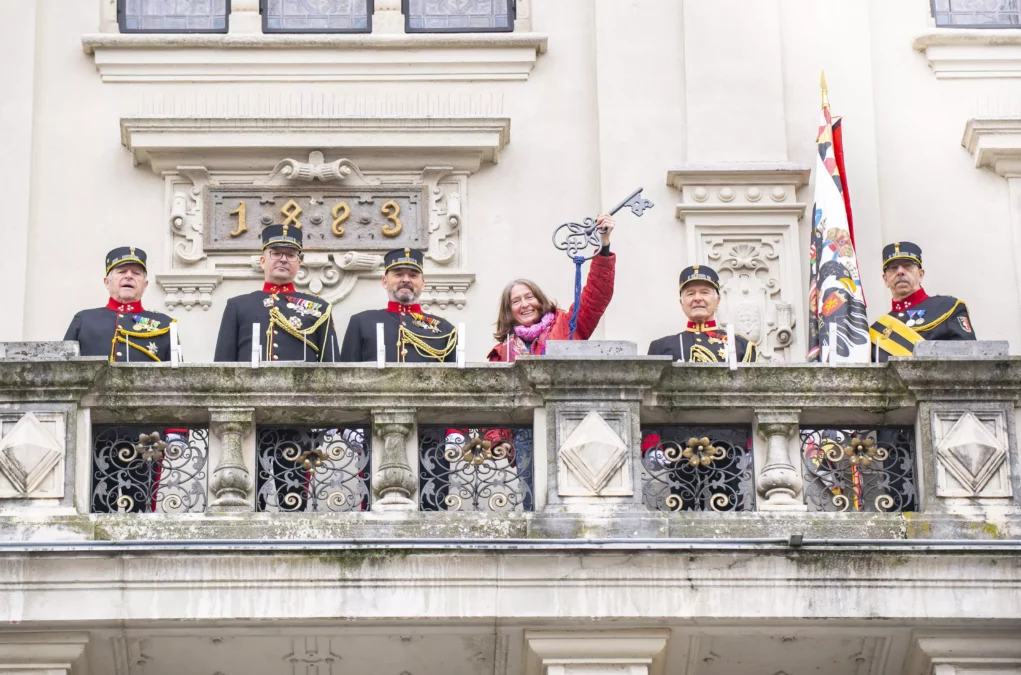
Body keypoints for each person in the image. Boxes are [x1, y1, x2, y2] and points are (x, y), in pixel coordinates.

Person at [487, 215, 616, 362]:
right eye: (516, 301)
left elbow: (597, 294)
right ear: (508, 311)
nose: (524, 304)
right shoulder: (501, 352)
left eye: (529, 297)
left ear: (540, 301)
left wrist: (604, 243)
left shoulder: (569, 324)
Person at [213, 224, 338, 362]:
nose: (283, 259)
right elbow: (223, 364)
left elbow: (331, 366)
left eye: (291, 255)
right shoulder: (238, 306)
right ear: (262, 261)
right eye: (276, 253)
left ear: (298, 263)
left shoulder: (319, 307)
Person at [340, 248, 457, 363]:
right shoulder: (362, 322)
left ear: (422, 284)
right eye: (398, 274)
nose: (406, 280)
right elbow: (345, 377)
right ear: (385, 281)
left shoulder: (445, 330)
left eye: (413, 275)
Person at [64, 246, 178, 362]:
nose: (129, 276)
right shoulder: (84, 320)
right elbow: (63, 369)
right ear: (107, 282)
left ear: (145, 285)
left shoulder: (165, 325)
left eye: (136, 273)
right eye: (122, 271)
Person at [870, 241, 975, 361]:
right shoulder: (877, 331)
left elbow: (969, 358)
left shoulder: (948, 308)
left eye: (908, 266)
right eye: (893, 268)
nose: (900, 271)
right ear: (886, 280)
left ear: (920, 275)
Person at [647, 264, 757, 363]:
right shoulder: (660, 348)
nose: (697, 298)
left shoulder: (741, 346)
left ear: (717, 300)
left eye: (705, 292)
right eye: (690, 293)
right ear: (682, 303)